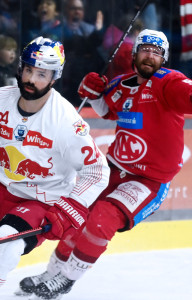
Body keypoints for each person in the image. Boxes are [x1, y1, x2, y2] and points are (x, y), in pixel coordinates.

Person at [16, 29, 192, 300]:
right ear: (134, 54)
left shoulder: (168, 82)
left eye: (157, 52)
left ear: (164, 58)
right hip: (111, 169)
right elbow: (106, 109)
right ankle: (51, 272)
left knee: (102, 219)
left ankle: (66, 279)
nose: (150, 55)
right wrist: (94, 92)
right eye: (145, 49)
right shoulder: (122, 84)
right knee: (77, 217)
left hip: (148, 181)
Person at [0, 36, 110, 288]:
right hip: (2, 186)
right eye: (28, 70)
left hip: (38, 199)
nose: (30, 79)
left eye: (41, 74)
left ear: (54, 77)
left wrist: (71, 207)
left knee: (7, 241)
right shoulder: (2, 98)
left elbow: (97, 171)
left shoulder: (65, 121)